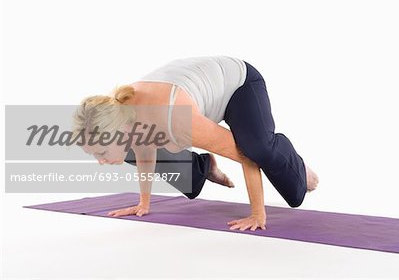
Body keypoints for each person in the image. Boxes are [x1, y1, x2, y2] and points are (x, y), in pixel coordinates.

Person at [72, 56, 319, 231]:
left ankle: (292, 160)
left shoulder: (175, 117)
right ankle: (204, 167)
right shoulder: (126, 116)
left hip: (239, 84)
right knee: (132, 153)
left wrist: (257, 214)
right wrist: (143, 204)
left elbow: (245, 156)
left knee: (258, 149)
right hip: (192, 90)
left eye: (101, 152)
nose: (101, 162)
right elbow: (145, 154)